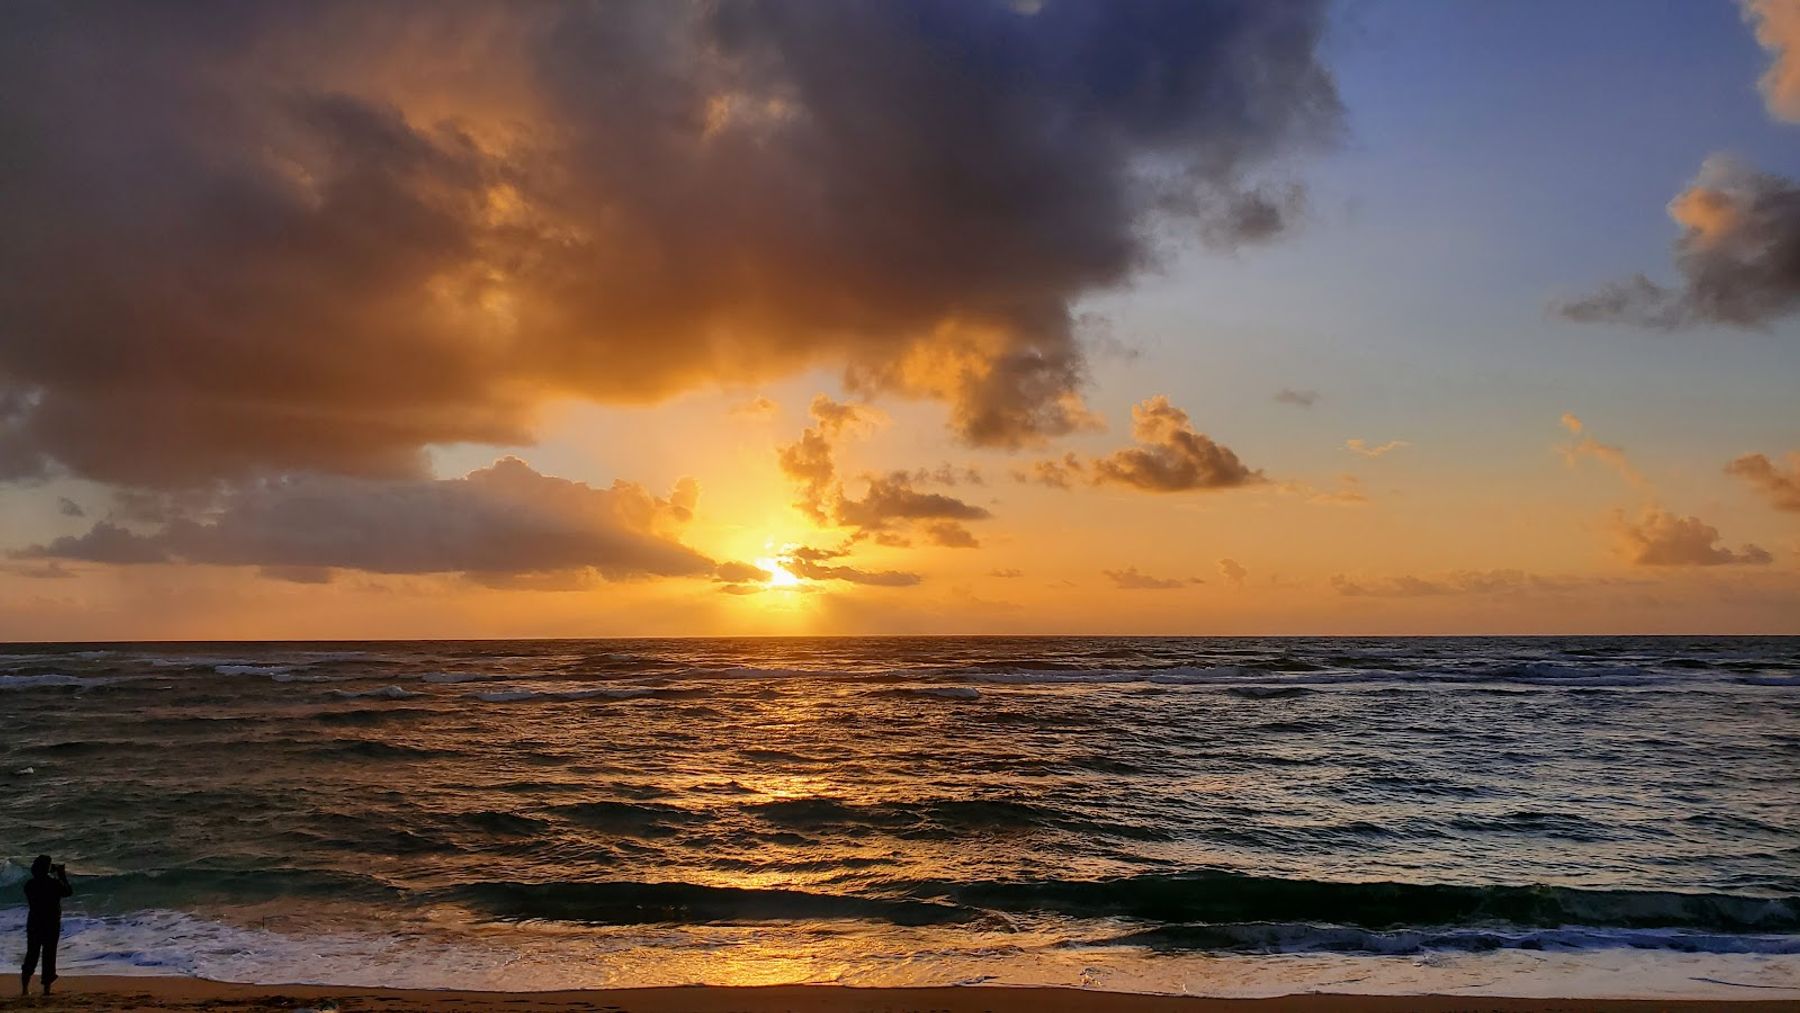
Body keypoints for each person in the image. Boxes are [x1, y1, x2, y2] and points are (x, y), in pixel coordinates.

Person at [20, 855, 71, 996]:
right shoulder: (54, 884)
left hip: (34, 922)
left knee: (32, 954)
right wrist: (61, 875)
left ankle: (25, 988)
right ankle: (46, 989)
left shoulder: (30, 885)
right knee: (49, 955)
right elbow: (68, 892)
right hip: (51, 922)